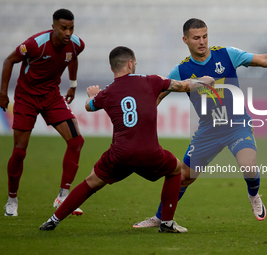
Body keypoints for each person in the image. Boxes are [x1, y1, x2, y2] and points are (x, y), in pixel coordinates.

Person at [133, 18, 267, 228]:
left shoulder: (227, 54)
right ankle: (160, 217)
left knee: (248, 166)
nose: (202, 41)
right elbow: (159, 95)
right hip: (208, 131)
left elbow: (264, 59)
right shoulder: (181, 70)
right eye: (196, 38)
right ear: (185, 40)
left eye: (205, 36)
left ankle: (254, 195)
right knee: (184, 177)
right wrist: (142, 115)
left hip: (237, 125)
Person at [39, 46, 214, 232]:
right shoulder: (151, 81)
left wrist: (92, 95)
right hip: (150, 153)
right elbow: (186, 85)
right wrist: (205, 80)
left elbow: (89, 106)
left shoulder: (107, 93)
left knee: (91, 182)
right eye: (135, 63)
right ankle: (167, 223)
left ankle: (53, 220)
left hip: (119, 155)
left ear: (112, 68)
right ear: (130, 64)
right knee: (175, 169)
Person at [0, 9, 85, 217]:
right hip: (26, 98)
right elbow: (9, 61)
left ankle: (63, 197)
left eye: (71, 28)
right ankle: (12, 199)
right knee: (19, 152)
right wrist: (3, 92)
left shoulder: (76, 43)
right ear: (54, 27)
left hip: (52, 97)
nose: (68, 32)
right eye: (64, 28)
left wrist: (73, 84)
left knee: (76, 141)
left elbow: (72, 57)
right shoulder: (34, 44)